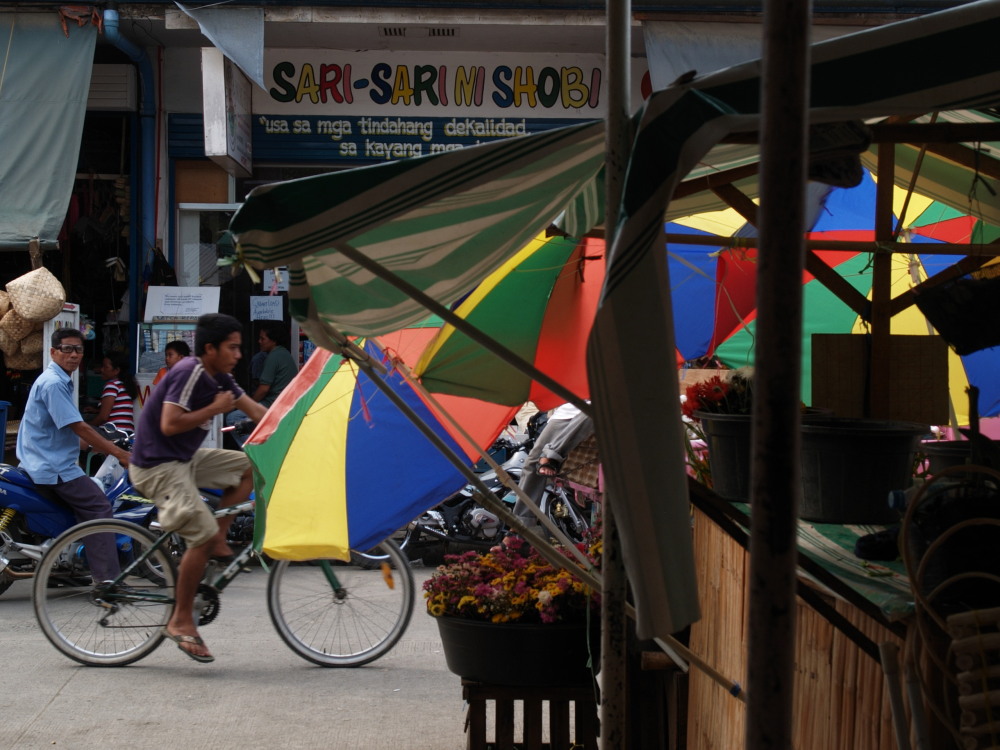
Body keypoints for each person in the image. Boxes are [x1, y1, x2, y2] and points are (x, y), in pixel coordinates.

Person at [129, 313, 266, 663]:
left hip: (184, 460)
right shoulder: (189, 371)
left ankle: (218, 537)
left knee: (250, 468)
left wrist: (299, 428)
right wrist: (214, 408)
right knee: (200, 536)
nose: (238, 355)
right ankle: (180, 620)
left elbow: (256, 411)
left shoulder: (222, 378)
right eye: (232, 348)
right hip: (156, 465)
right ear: (210, 349)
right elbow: (169, 423)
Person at [15, 328, 132, 585]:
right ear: (53, 352)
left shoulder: (56, 380)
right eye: (67, 349)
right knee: (99, 506)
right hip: (53, 467)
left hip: (41, 460)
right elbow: (79, 426)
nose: (74, 355)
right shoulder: (54, 383)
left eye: (78, 349)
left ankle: (61, 569)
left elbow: (60, 430)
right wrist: (119, 453)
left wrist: (93, 446)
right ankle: (107, 581)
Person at [508, 403, 594, 536]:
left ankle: (552, 456)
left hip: (592, 411)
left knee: (594, 408)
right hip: (565, 412)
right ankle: (521, 523)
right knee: (532, 463)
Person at [224, 322, 297, 445]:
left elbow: (263, 389)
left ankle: (253, 450)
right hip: (282, 404)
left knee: (233, 418)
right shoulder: (284, 354)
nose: (259, 341)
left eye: (263, 339)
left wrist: (249, 405)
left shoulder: (274, 356)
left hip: (272, 405)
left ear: (273, 340)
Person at [88, 352, 139, 431]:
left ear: (116, 370)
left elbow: (103, 417)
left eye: (105, 367)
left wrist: (87, 427)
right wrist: (96, 410)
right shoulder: (124, 385)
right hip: (127, 432)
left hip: (112, 431)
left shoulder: (112, 385)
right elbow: (117, 409)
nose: (102, 370)